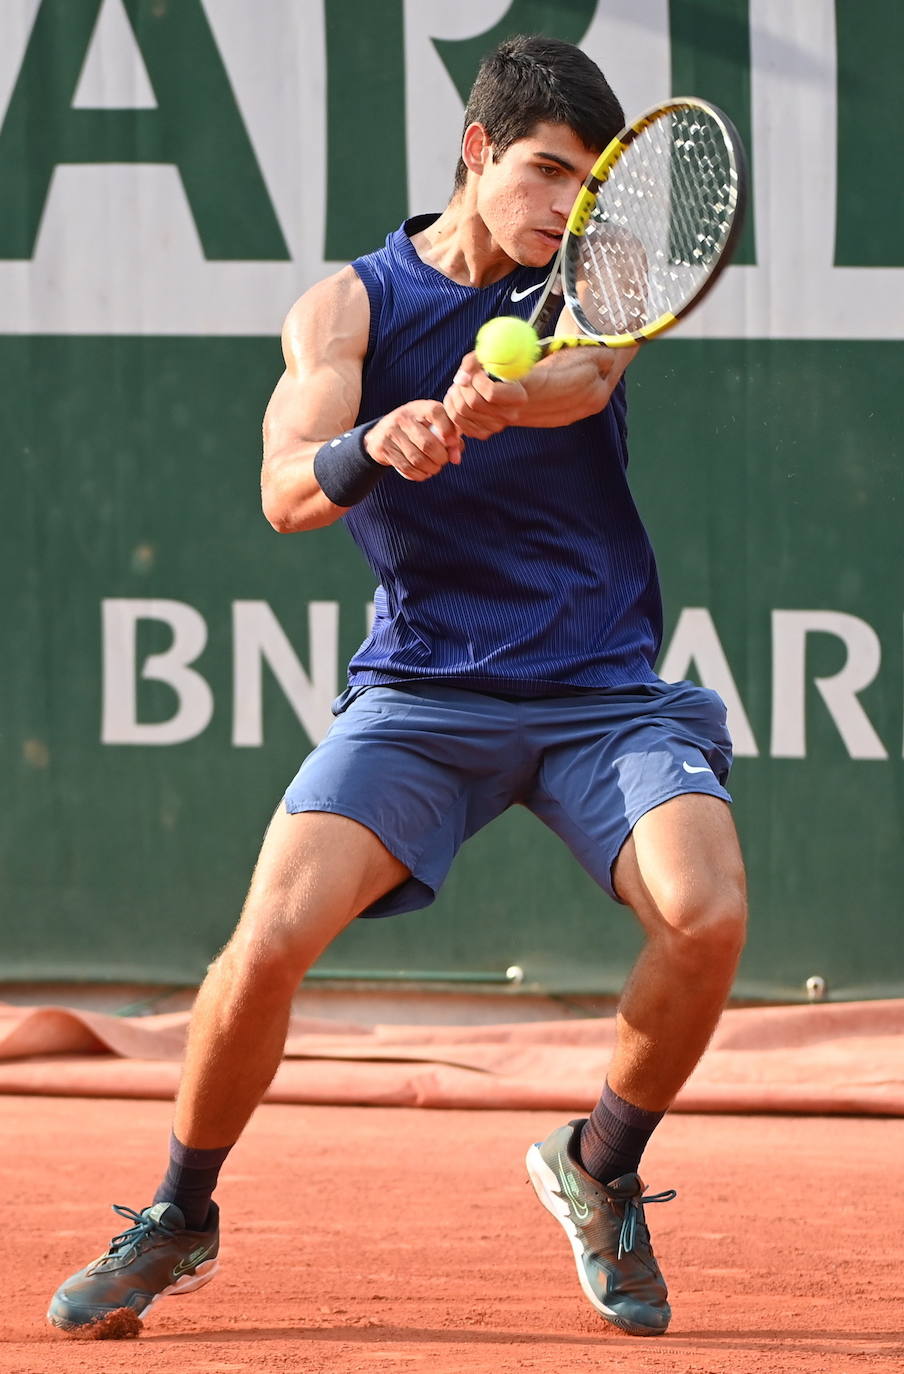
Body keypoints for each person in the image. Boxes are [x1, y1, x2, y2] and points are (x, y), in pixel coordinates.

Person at [47, 35, 746, 1340]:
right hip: (423, 691)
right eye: (543, 172)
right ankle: (179, 1209)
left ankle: (598, 1168)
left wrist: (497, 397)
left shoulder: (602, 278)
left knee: (705, 912)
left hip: (601, 686)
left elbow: (585, 374)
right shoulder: (346, 311)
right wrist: (377, 439)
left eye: (589, 190)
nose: (563, 210)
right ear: (476, 155)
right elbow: (283, 489)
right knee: (267, 938)